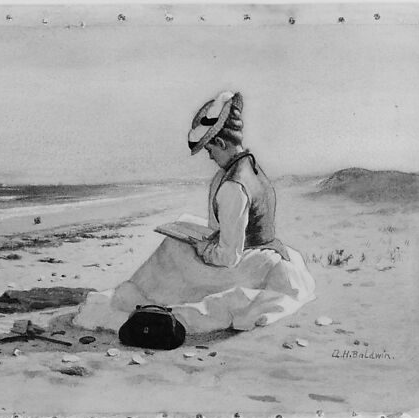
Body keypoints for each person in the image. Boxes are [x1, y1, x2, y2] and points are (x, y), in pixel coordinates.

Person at [73, 91, 315, 333]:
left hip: (250, 265)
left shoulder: (233, 185)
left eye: (210, 151)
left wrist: (204, 249)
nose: (210, 157)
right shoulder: (249, 166)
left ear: (220, 143)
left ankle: (139, 303)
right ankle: (141, 297)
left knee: (172, 250)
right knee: (180, 236)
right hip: (260, 252)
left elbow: (229, 257)